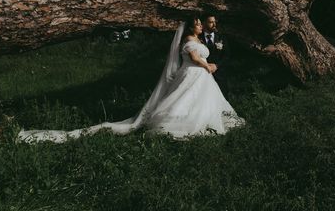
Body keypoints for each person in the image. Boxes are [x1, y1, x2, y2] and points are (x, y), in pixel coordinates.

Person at [17, 17, 244, 143]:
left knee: (200, 102)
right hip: (193, 73)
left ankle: (202, 120)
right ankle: (177, 123)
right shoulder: (187, 39)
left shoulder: (200, 38)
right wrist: (208, 65)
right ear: (189, 26)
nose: (200, 25)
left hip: (201, 78)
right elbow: (194, 57)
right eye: (196, 23)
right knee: (182, 100)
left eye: (199, 23)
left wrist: (210, 66)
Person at [200, 15, 230, 95]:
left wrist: (217, 66)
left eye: (215, 22)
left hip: (219, 73)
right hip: (203, 73)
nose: (214, 24)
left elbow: (227, 56)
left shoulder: (221, 37)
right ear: (204, 24)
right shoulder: (198, 38)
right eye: (211, 22)